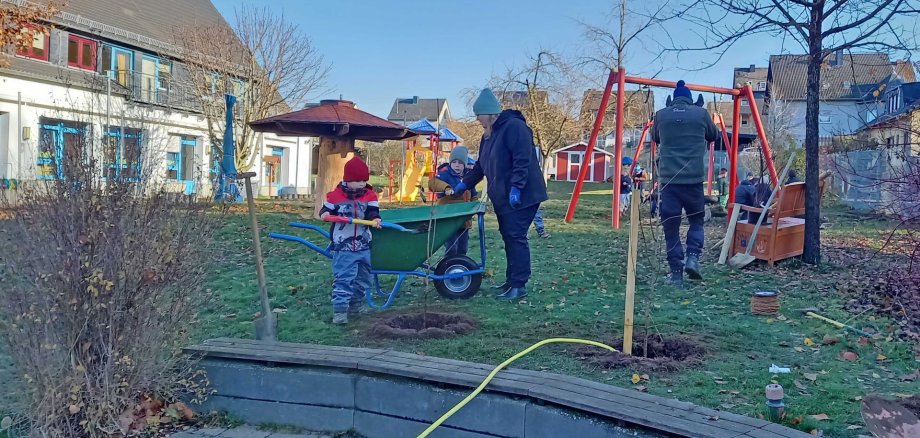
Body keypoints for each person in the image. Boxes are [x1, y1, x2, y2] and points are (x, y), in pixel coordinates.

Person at [452, 88, 548, 301]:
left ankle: (519, 285)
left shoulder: (515, 127)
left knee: (516, 237)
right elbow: (480, 167)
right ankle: (511, 281)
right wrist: (464, 184)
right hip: (503, 197)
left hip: (523, 195)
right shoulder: (488, 136)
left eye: (479, 114)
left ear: (491, 113)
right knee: (509, 237)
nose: (477, 119)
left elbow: (522, 159)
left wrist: (517, 187)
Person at [651, 80, 719, 287]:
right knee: (696, 221)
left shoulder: (661, 115)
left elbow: (655, 137)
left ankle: (676, 275)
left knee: (671, 229)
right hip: (693, 181)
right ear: (692, 100)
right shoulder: (701, 114)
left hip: (669, 182)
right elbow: (714, 135)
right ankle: (692, 257)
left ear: (672, 99)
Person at [319, 156, 382, 325]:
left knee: (363, 278)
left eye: (364, 180)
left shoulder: (369, 195)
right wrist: (325, 214)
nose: (361, 184)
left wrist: (375, 219)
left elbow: (372, 212)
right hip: (344, 244)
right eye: (357, 181)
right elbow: (325, 210)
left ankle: (355, 305)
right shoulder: (336, 196)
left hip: (363, 244)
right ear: (348, 180)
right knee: (344, 277)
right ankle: (340, 310)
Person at [429, 146, 478, 256]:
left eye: (460, 163)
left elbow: (473, 193)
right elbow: (432, 183)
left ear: (464, 164)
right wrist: (446, 188)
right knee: (451, 247)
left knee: (463, 248)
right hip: (449, 219)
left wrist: (475, 204)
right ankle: (448, 267)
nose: (457, 165)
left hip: (464, 219)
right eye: (454, 162)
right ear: (450, 163)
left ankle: (460, 268)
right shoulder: (444, 175)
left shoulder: (468, 177)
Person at [531, 146, 550, 239]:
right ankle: (523, 234)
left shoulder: (534, 168)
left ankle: (541, 230)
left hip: (534, 193)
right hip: (525, 193)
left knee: (536, 212)